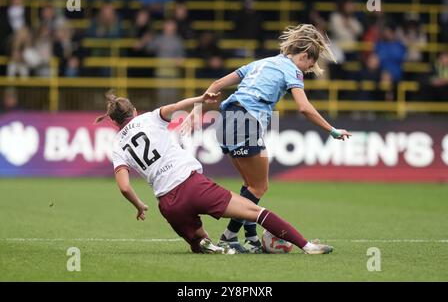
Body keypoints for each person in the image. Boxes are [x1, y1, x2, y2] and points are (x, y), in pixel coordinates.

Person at [94, 92, 334, 255]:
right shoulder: (149, 118)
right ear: (134, 111)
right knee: (256, 212)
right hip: (193, 185)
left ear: (113, 123)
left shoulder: (117, 145)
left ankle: (217, 247)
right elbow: (179, 106)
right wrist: (202, 98)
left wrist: (139, 205)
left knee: (201, 245)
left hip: (168, 203)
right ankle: (307, 245)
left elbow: (124, 186)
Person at [182, 24, 351, 253]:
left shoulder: (260, 63)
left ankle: (250, 239)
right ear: (303, 56)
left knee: (250, 187)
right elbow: (304, 107)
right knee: (260, 187)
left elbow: (217, 85)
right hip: (246, 120)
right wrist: (331, 130)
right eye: (309, 65)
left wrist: (196, 110)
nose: (307, 71)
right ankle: (229, 237)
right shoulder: (292, 70)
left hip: (226, 120)